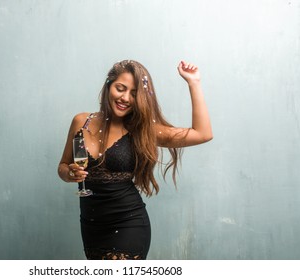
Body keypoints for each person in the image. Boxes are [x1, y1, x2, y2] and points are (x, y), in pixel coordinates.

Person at [58, 59, 213, 260]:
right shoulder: (81, 121)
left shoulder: (142, 130)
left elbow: (202, 133)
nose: (125, 98)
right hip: (91, 225)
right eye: (120, 88)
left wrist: (194, 83)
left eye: (134, 93)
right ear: (108, 86)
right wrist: (70, 174)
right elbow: (62, 166)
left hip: (128, 223)